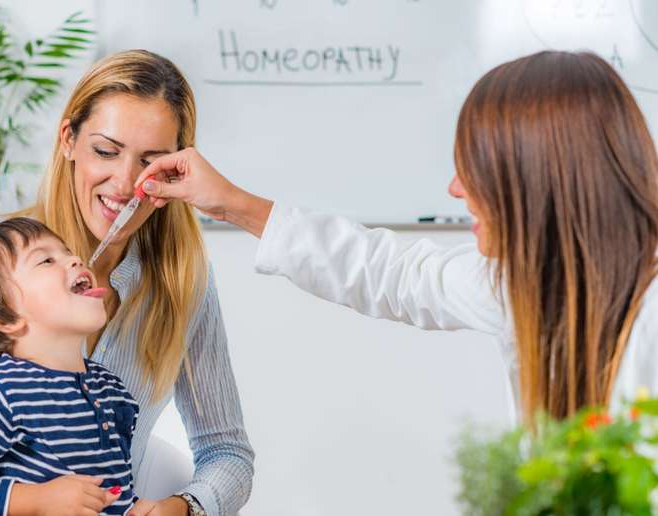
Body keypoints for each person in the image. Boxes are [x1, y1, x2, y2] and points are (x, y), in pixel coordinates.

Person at [137, 50, 658, 422]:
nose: (455, 189)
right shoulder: (520, 283)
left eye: (476, 169)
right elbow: (389, 272)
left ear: (536, 179)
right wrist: (232, 203)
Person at [0, 50, 254, 516]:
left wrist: (184, 507)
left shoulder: (184, 284)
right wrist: (32, 502)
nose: (125, 184)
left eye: (151, 162)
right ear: (68, 139)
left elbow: (226, 452)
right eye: (106, 151)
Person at [0, 217, 140, 515]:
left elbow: (116, 492)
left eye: (68, 252)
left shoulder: (112, 389)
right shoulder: (0, 390)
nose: (76, 259)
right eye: (46, 260)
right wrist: (38, 499)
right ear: (5, 318)